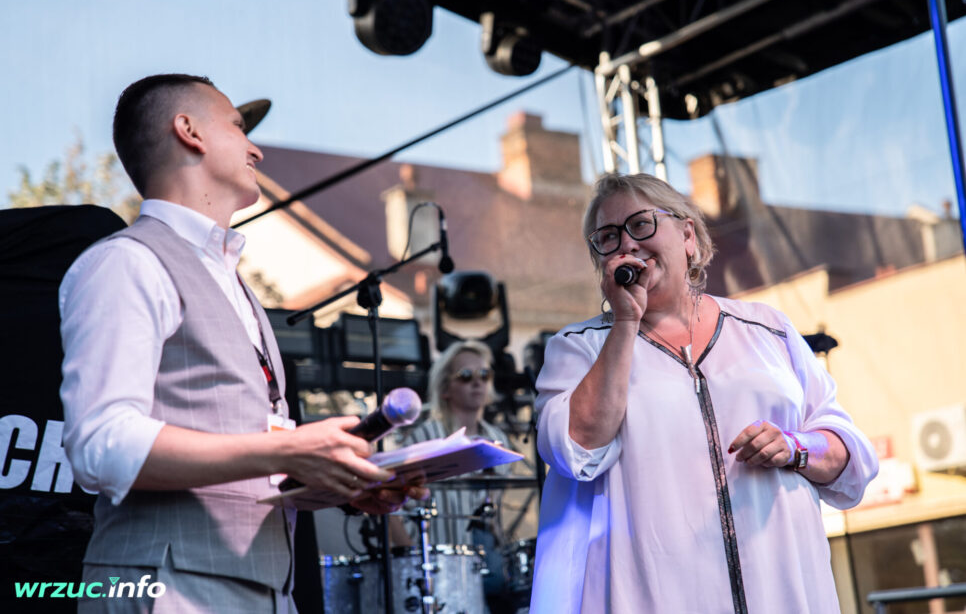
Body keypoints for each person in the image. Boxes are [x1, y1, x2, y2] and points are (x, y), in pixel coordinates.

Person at [59, 73, 426, 613]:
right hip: (165, 586)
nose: (255, 148)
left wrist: (338, 481)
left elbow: (250, 461)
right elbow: (99, 446)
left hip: (264, 590)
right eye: (237, 126)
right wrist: (287, 449)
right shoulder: (126, 262)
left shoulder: (234, 283)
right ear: (189, 131)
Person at [529, 173, 879, 613]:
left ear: (688, 236)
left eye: (641, 224)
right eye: (608, 237)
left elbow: (852, 456)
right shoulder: (579, 347)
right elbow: (573, 450)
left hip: (783, 593)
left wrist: (796, 447)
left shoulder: (767, 329)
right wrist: (625, 323)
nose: (627, 244)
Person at [390, 340, 514, 610]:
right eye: (465, 375)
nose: (477, 382)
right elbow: (390, 508)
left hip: (483, 574)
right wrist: (416, 564)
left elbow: (493, 516)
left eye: (484, 374)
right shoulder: (426, 437)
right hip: (438, 572)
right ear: (445, 388)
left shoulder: (499, 439)